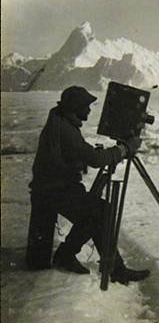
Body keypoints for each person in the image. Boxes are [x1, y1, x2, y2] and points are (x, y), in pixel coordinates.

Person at [28, 85, 150, 285]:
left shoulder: (61, 120)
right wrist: (125, 148)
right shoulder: (64, 128)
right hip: (53, 191)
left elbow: (80, 154)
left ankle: (74, 257)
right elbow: (94, 158)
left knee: (98, 211)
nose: (89, 110)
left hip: (55, 188)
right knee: (100, 211)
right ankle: (107, 267)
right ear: (75, 108)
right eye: (86, 106)